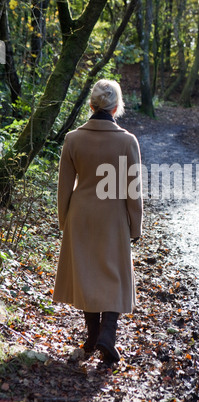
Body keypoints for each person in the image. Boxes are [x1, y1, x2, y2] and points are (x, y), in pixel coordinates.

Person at [53, 79, 143, 363]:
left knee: (87, 273)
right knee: (114, 274)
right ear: (116, 108)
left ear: (91, 105)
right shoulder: (128, 141)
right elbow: (133, 191)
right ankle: (107, 334)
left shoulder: (73, 139)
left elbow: (64, 188)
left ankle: (93, 336)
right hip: (113, 216)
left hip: (80, 215)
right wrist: (135, 225)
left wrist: (64, 220)